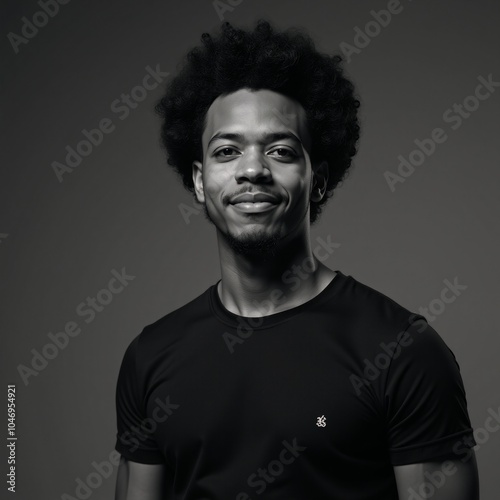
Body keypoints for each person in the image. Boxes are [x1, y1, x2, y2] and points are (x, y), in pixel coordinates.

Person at [114, 20, 479, 500]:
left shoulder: (403, 352)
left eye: (280, 150)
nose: (252, 170)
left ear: (318, 178)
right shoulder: (150, 356)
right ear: (201, 182)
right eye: (227, 150)